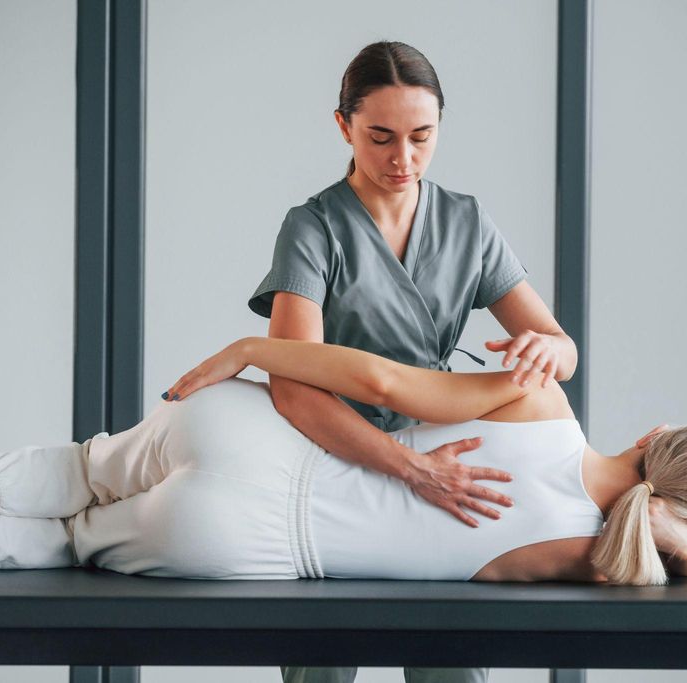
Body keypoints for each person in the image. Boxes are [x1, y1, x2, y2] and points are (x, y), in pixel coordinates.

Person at [0, 336, 687, 591]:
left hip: (266, 439)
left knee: (84, 466)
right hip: (248, 547)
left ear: (656, 433)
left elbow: (382, 380)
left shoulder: (540, 407)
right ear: (680, 516)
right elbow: (682, 568)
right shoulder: (593, 559)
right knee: (72, 543)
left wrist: (252, 349)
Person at [247, 40, 576, 683]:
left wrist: (549, 349)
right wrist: (408, 467)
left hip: (442, 464)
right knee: (323, 664)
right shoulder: (314, 228)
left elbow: (560, 348)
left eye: (422, 137)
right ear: (343, 126)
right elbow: (292, 387)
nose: (404, 159)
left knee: (449, 659)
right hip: (332, 461)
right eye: (380, 137)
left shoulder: (467, 222)